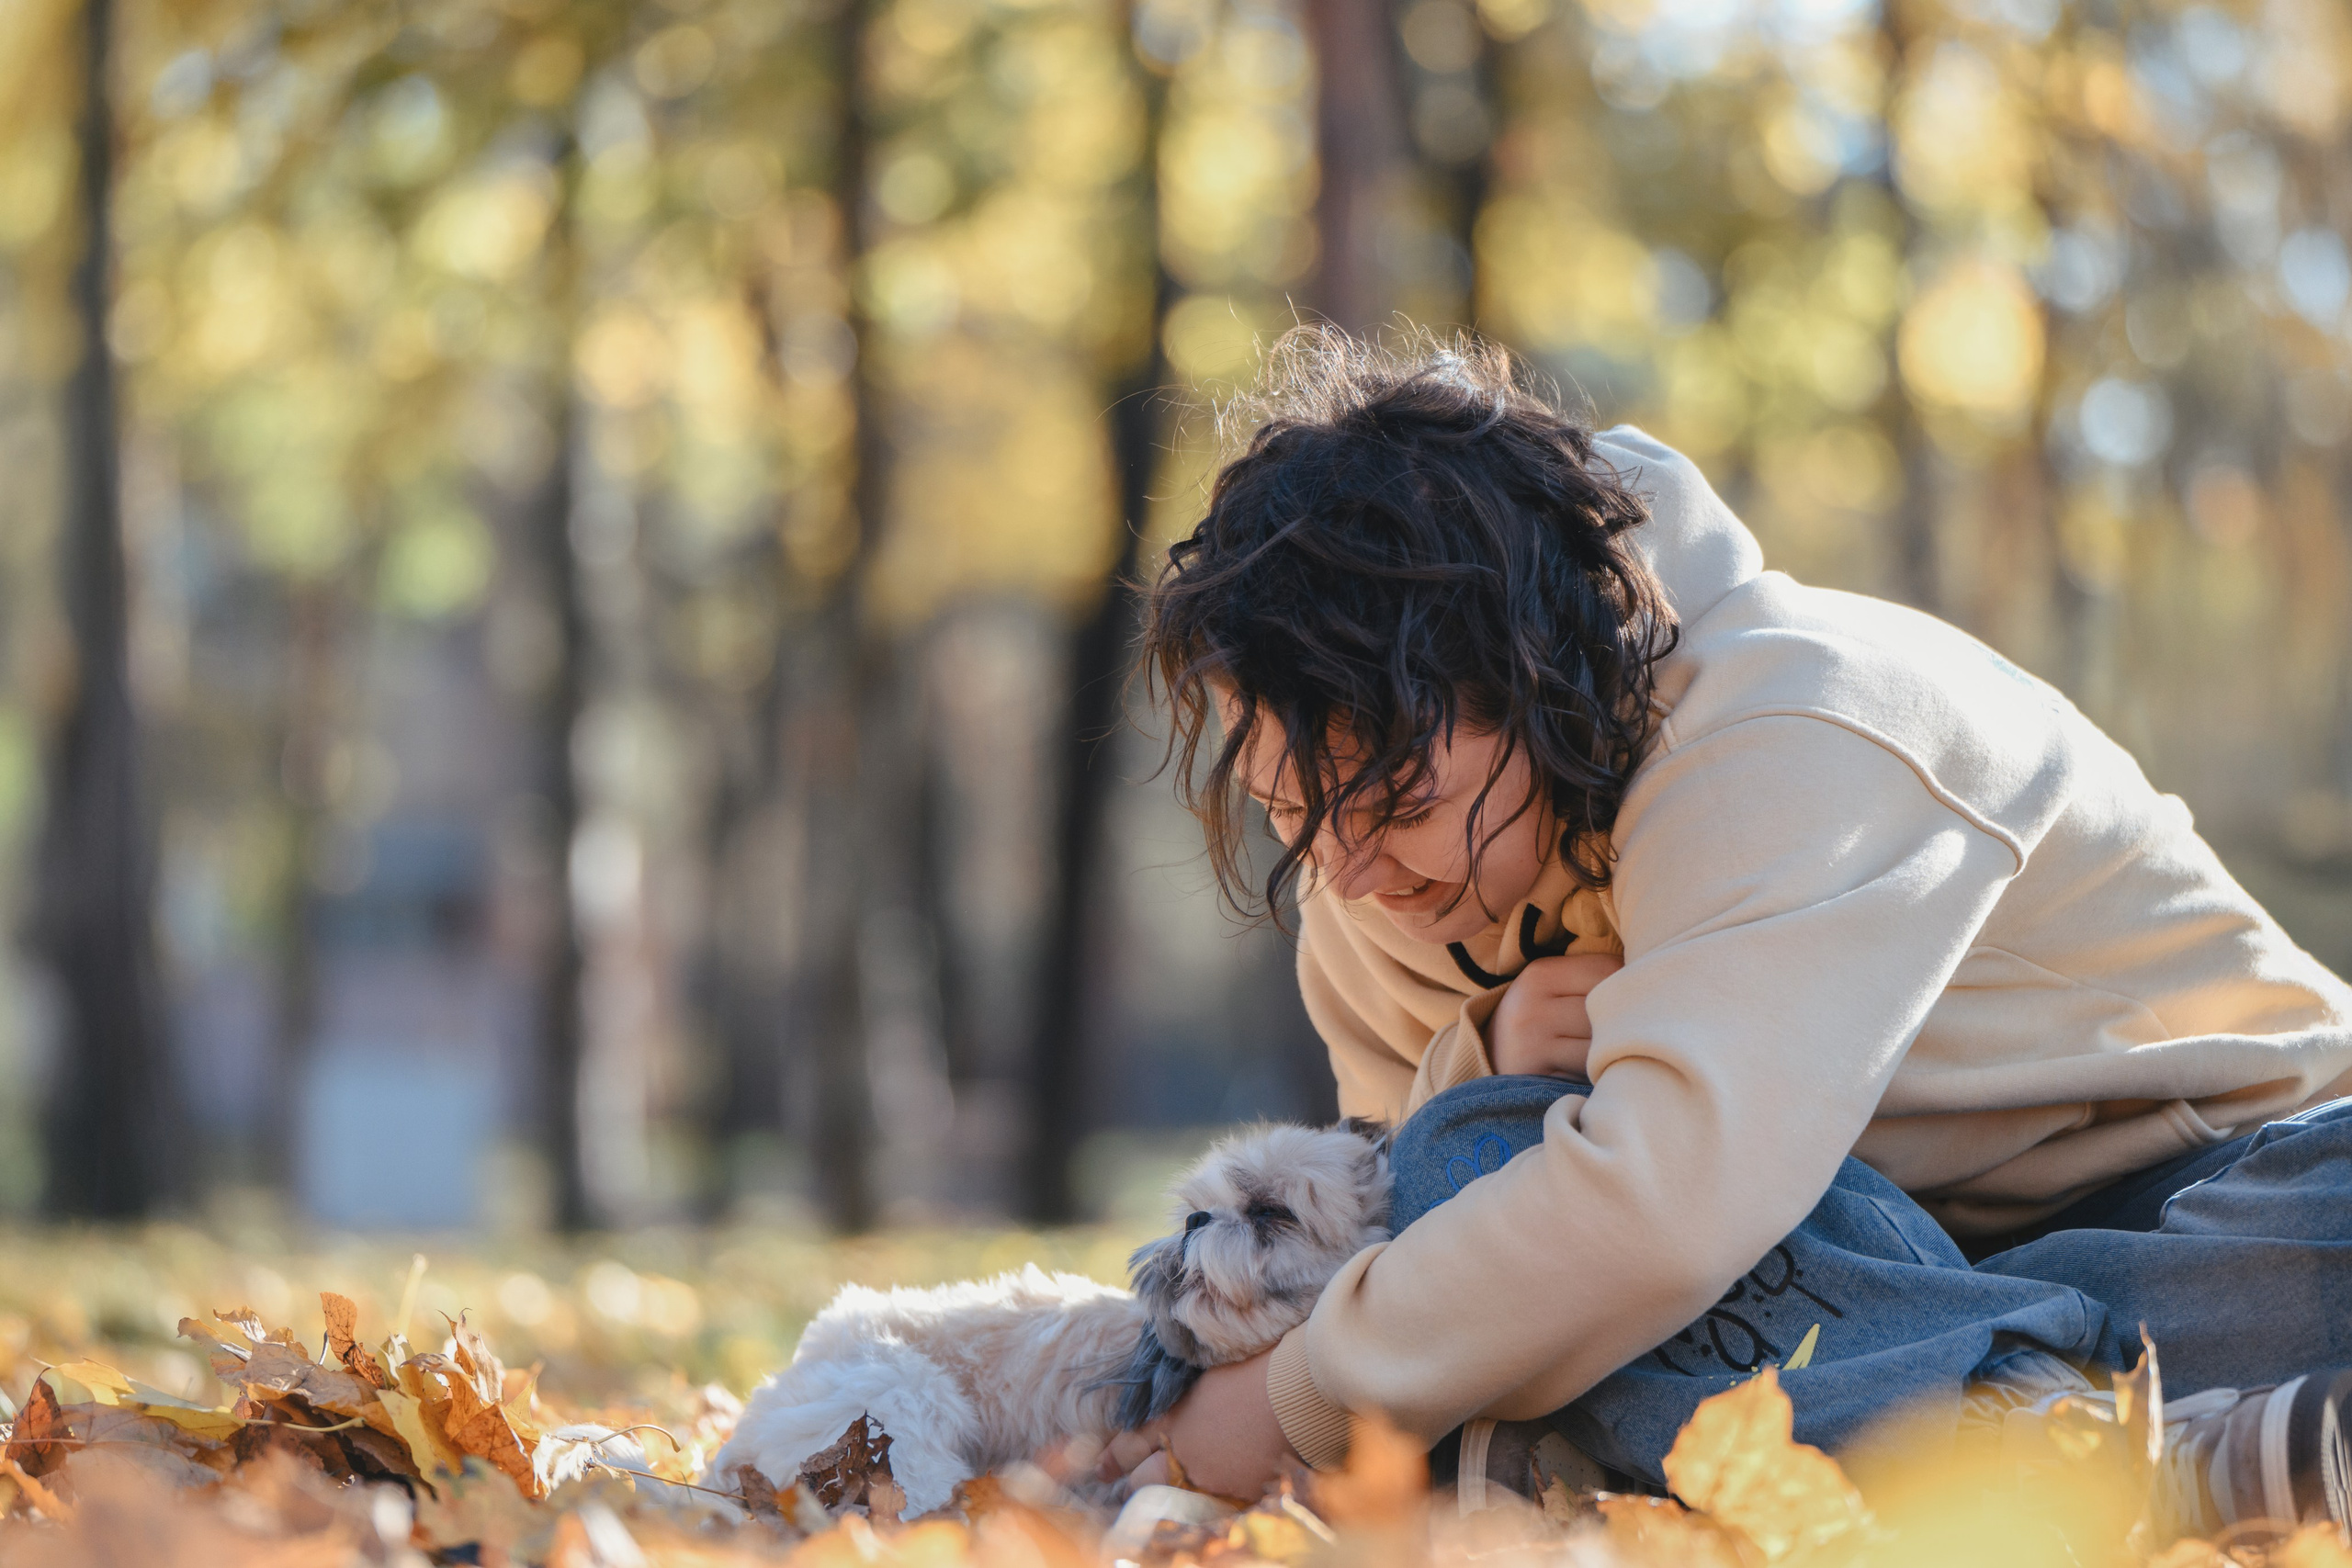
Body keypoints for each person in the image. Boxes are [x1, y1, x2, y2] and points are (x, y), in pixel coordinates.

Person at [1096, 329, 2352, 1538]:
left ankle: (2085, 1446)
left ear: (1537, 675)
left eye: (1401, 803)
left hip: (2218, 1196)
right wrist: (1473, 1069)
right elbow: (1417, 1237)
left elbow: (1661, 1211)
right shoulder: (1369, 884)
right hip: (1875, 1295)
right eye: (1289, 812)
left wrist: (1299, 1401)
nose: (1350, 870)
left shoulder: (1795, 725)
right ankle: (2091, 1447)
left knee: (1577, 1239)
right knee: (1488, 1184)